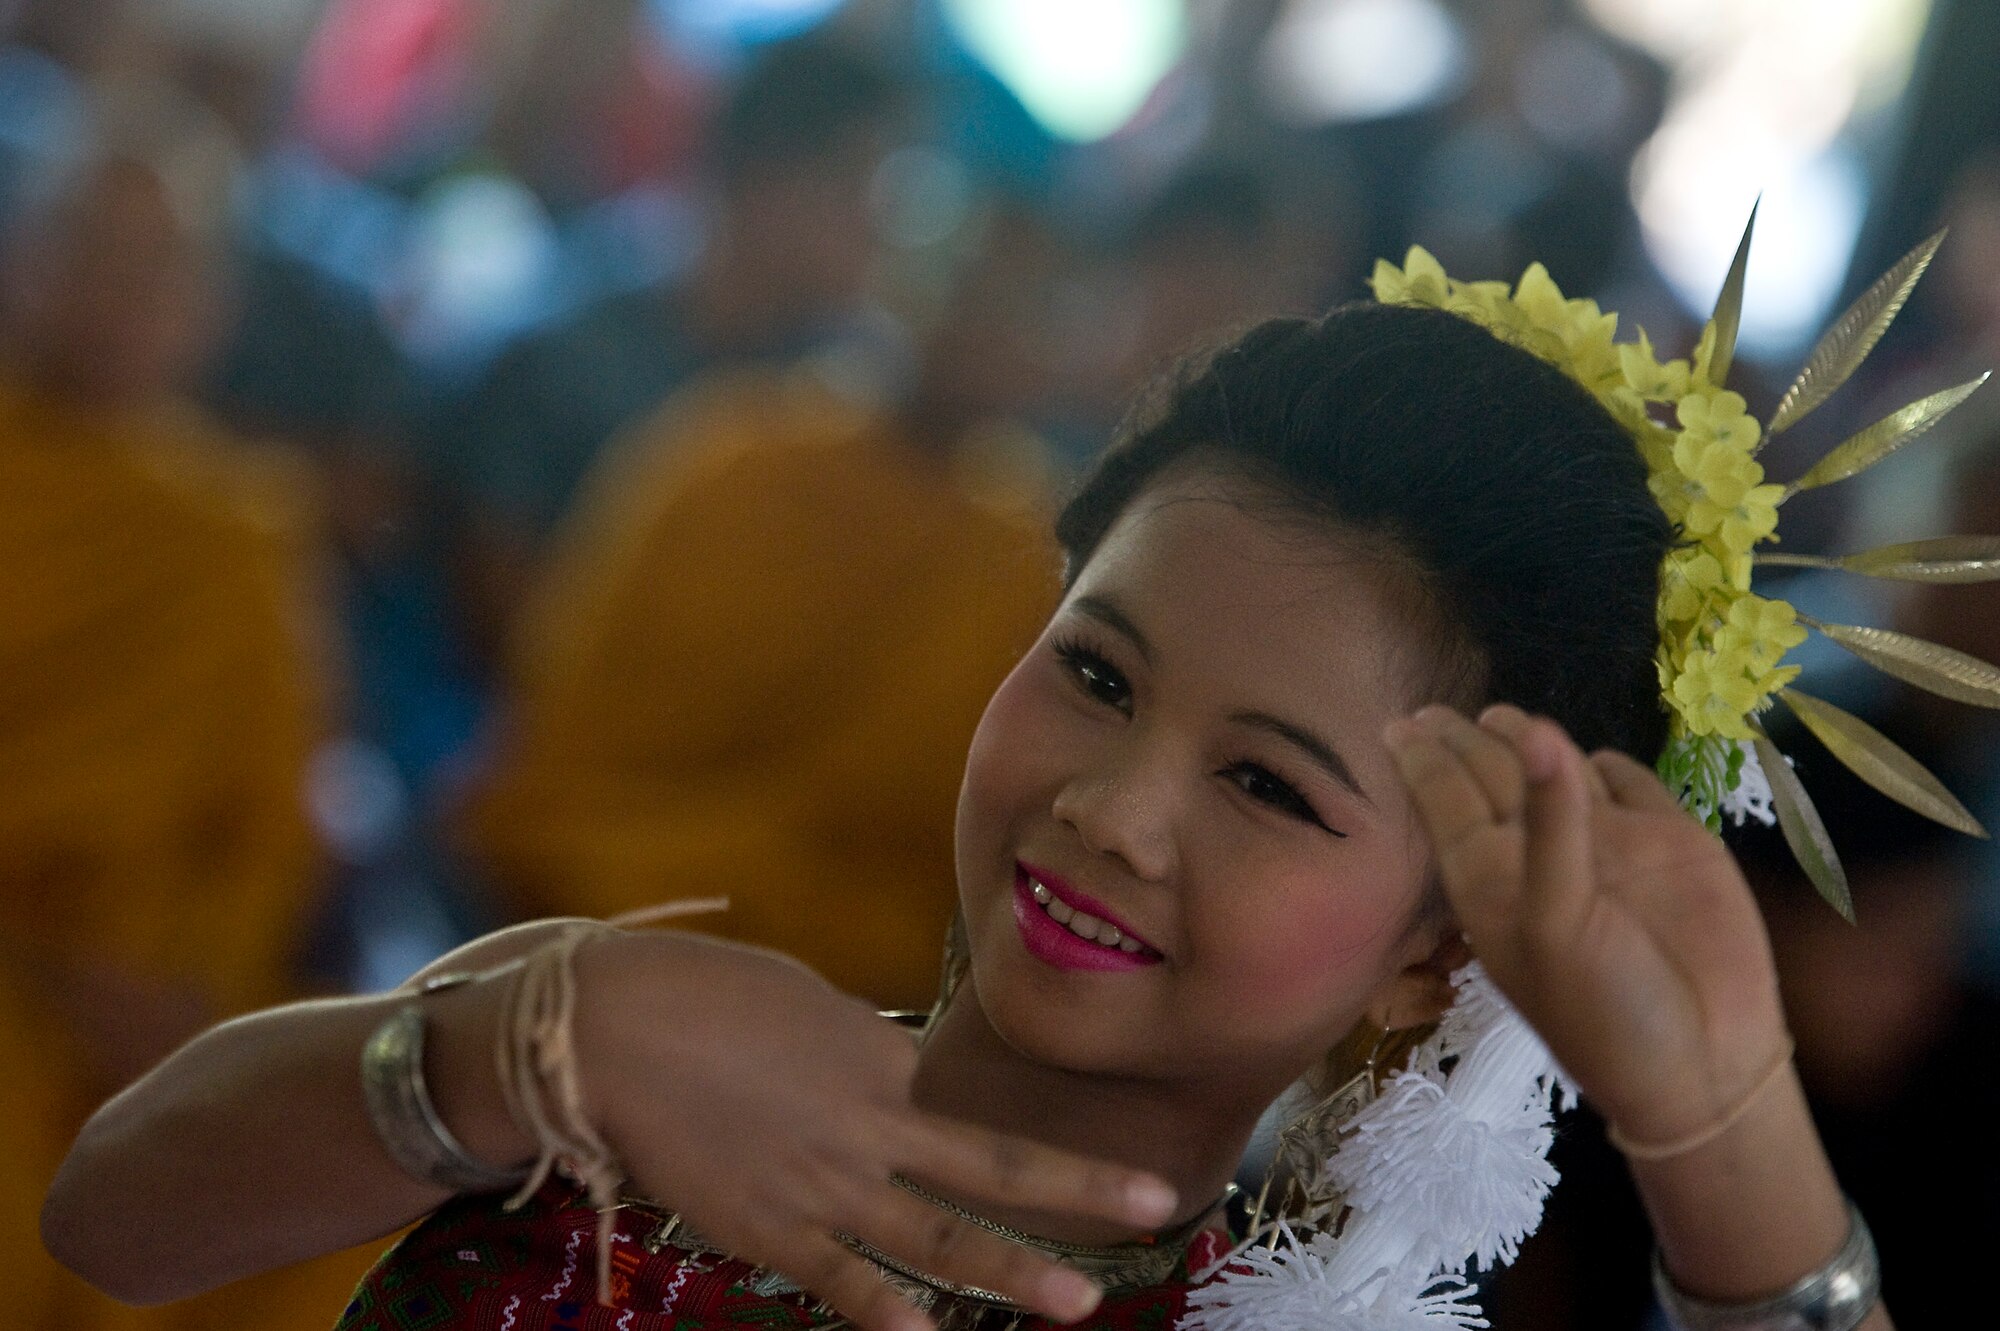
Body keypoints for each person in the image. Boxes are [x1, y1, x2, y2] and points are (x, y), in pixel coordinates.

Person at [42, 243, 1947, 1331]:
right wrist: (521, 1040)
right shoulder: (649, 1047)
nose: (1114, 808)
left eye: (1273, 789)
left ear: (1432, 955)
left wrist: (1724, 1124)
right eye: (1097, 673)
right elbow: (111, 1219)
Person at [461, 210, 1069, 1010]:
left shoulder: (1032, 553)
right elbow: (574, 715)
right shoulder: (733, 453)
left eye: (1027, 313)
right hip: (620, 880)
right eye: (968, 291)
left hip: (863, 964)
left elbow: (967, 834)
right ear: (898, 289)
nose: (985, 331)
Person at [0, 93, 379, 1325]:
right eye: (88, 250)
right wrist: (54, 969)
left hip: (150, 993)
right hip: (19, 974)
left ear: (211, 307)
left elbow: (270, 824)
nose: (118, 292)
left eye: (158, 264)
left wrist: (188, 993)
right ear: (19, 258)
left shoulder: (237, 529)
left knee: (358, 1221)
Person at [437, 33, 910, 655]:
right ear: (768, 184)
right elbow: (506, 610)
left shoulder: (850, 381)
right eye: (864, 186)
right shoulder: (567, 349)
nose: (884, 224)